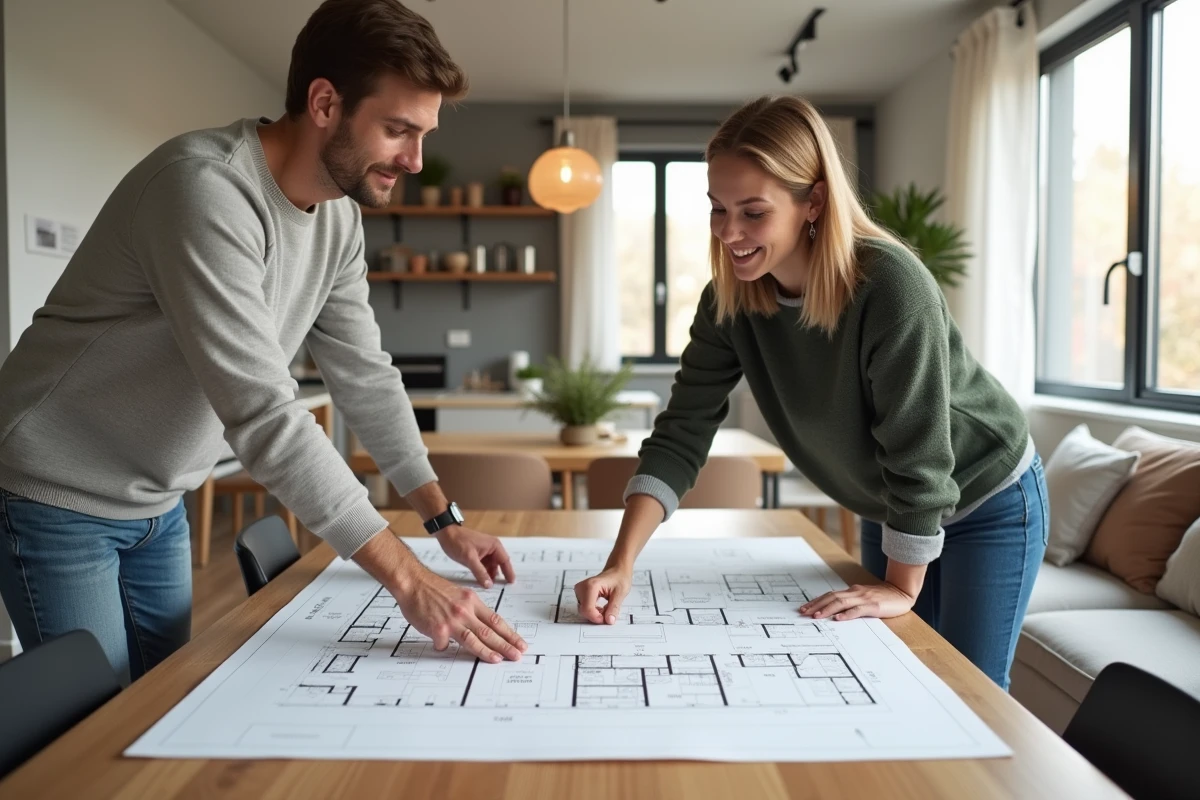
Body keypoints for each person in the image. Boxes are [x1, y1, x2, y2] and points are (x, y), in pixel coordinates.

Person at [0, 0, 526, 685]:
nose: (417, 160)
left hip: (160, 502)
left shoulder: (337, 219)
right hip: (56, 493)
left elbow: (365, 375)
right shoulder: (206, 191)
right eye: (398, 130)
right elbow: (263, 413)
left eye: (422, 134)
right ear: (325, 103)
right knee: (90, 736)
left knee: (159, 705)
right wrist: (407, 577)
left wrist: (443, 521)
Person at [574, 95, 1047, 690]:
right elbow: (682, 431)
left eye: (753, 212)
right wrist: (621, 563)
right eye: (718, 210)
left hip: (987, 499)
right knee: (893, 677)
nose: (730, 233)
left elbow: (919, 453)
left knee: (968, 691)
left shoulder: (891, 289)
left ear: (813, 202)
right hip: (890, 501)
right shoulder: (729, 301)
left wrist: (902, 588)